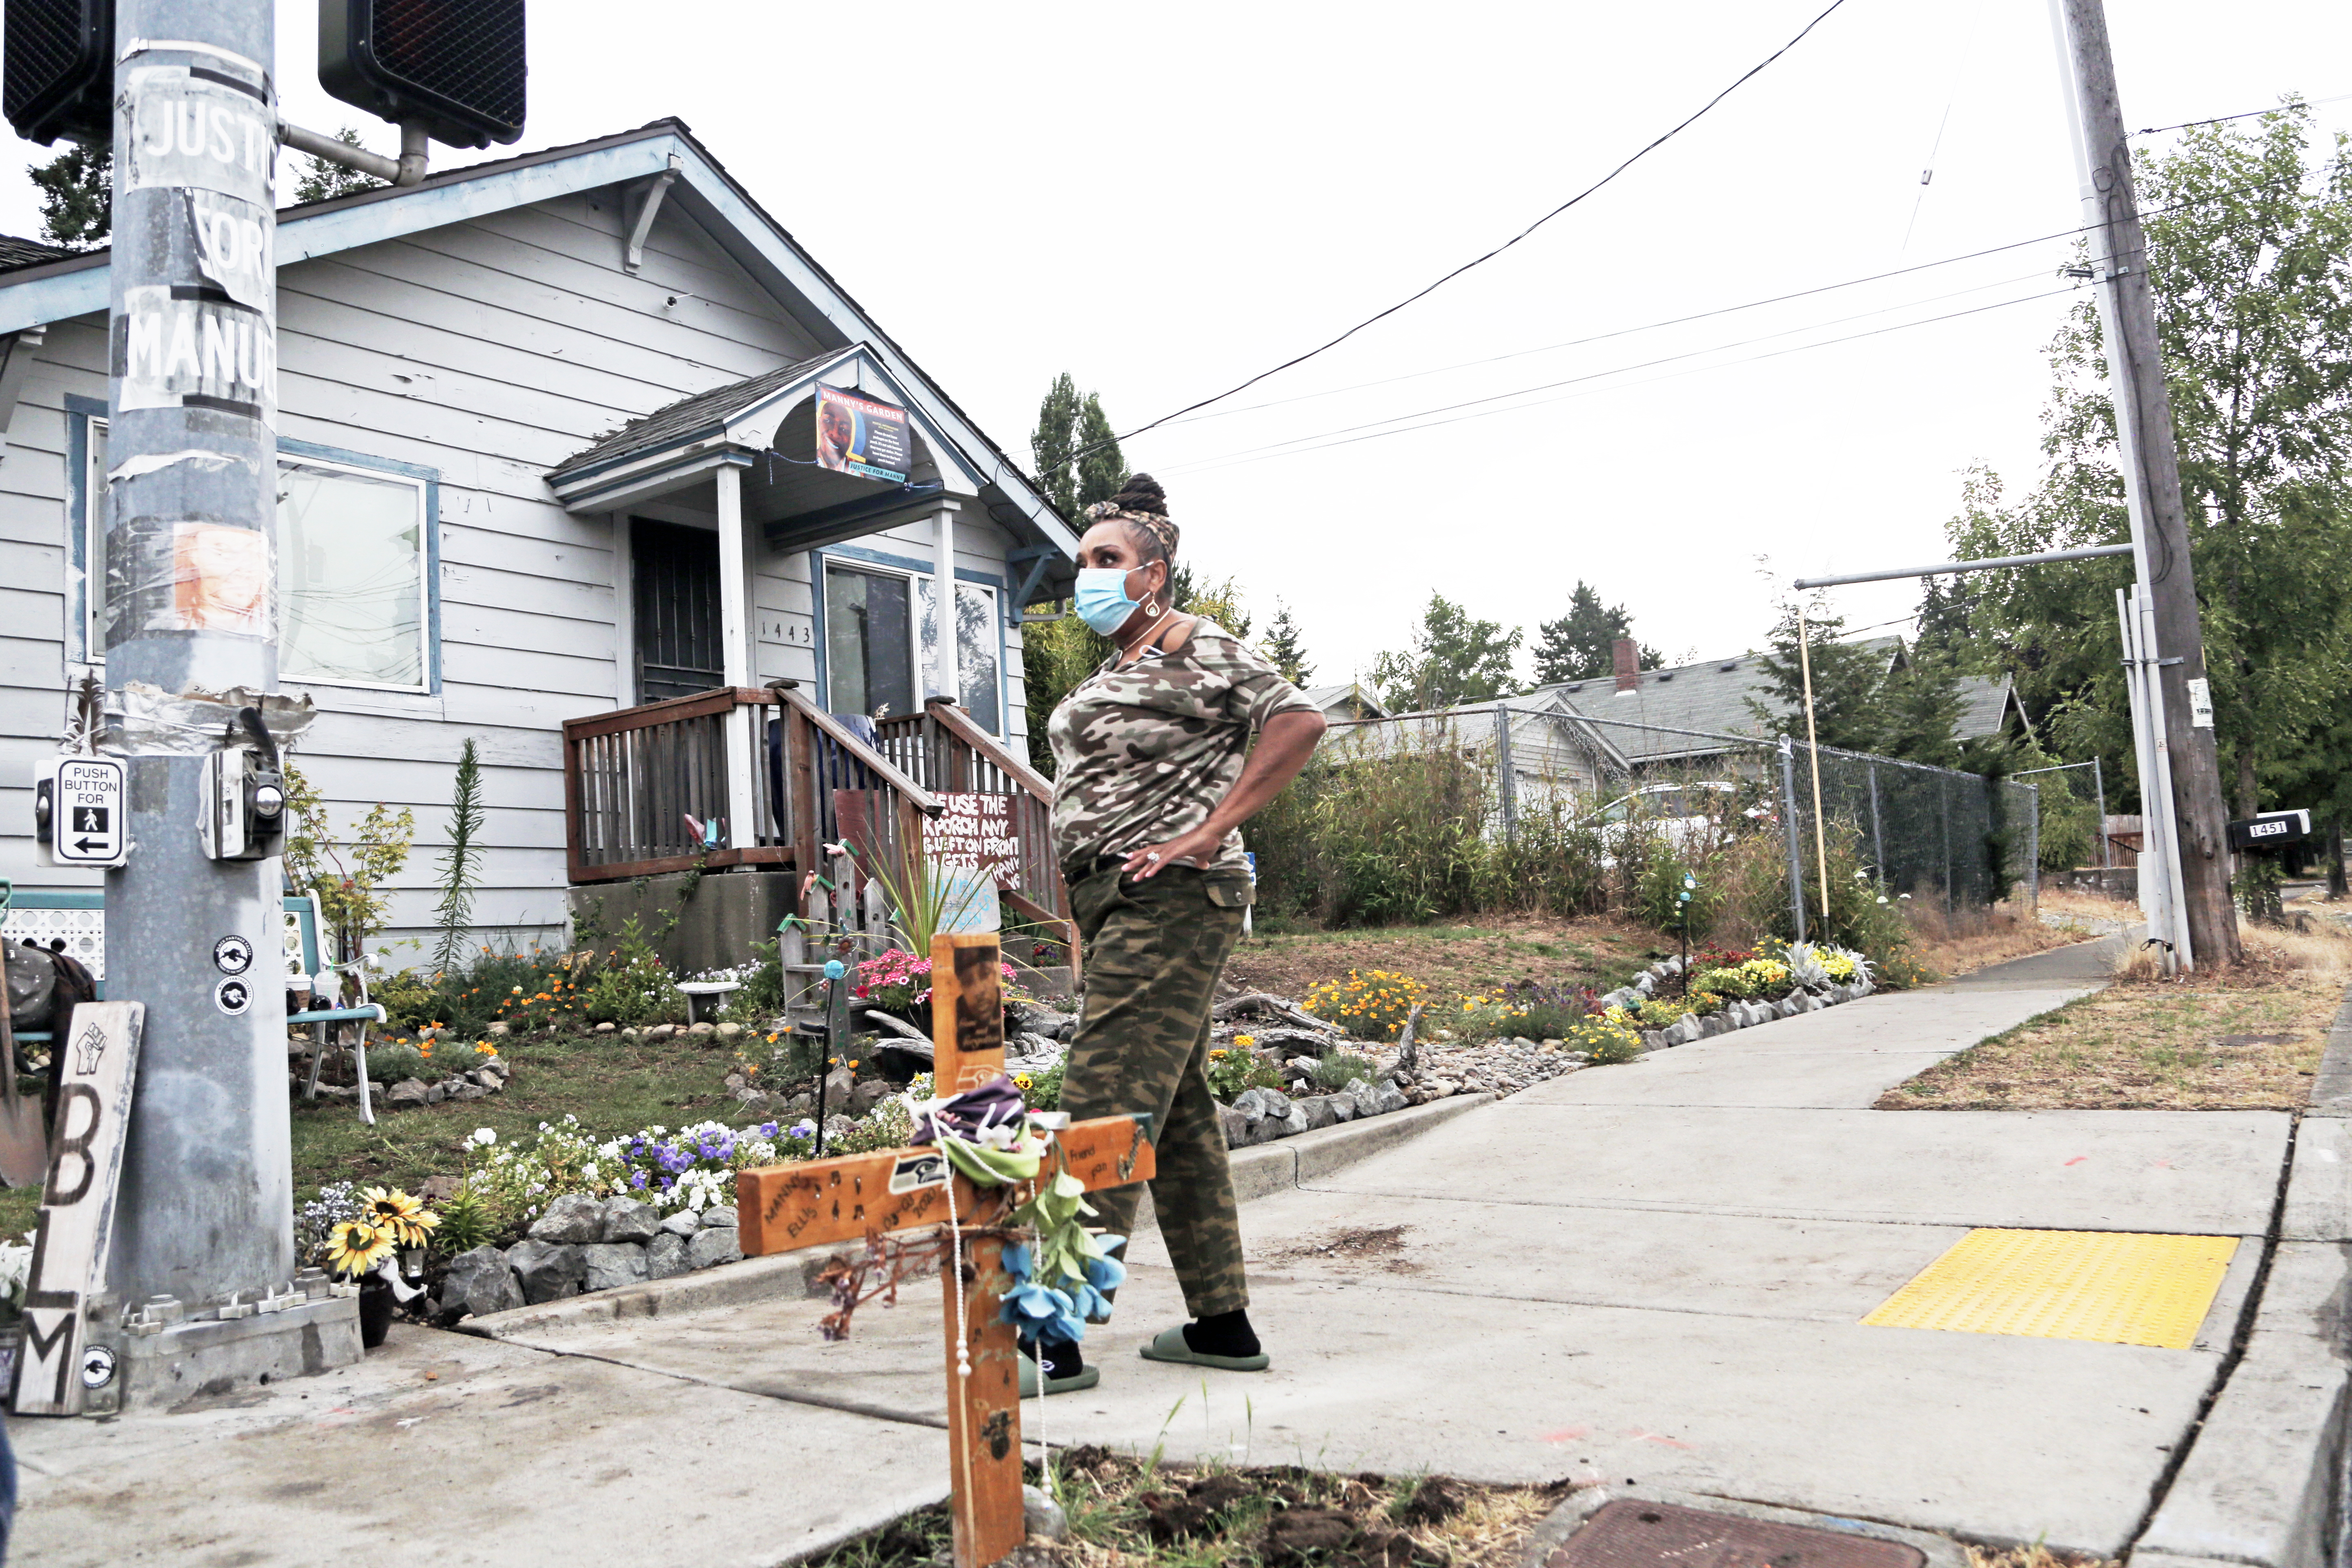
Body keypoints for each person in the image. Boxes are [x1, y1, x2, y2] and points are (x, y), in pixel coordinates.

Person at [1032, 473, 1326, 1395]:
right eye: (1082, 561)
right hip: (1118, 903)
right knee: (1181, 1110)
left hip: (1176, 896)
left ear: (1154, 574)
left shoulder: (1199, 645)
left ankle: (1054, 1333)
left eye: (1108, 560)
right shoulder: (1113, 671)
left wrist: (1205, 830)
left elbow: (1300, 719)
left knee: (1104, 1098)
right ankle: (1223, 1323)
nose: (1090, 574)